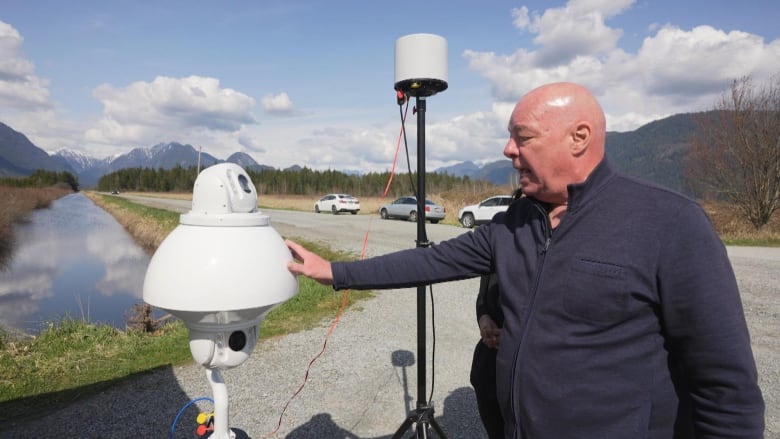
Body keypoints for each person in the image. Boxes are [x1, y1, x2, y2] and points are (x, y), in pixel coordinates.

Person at [286, 82, 765, 438]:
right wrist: (332, 272)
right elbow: (430, 262)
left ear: (579, 138)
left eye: (522, 136)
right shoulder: (517, 220)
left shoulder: (668, 221)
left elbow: (725, 384)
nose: (508, 149)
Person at [470, 272, 504, 439]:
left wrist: (517, 337)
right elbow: (483, 296)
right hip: (490, 362)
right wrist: (483, 317)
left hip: (530, 370)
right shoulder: (499, 247)